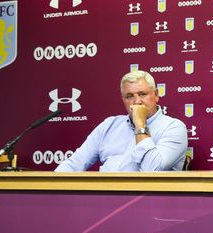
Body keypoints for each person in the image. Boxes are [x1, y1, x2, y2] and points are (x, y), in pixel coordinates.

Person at [56, 70, 187, 172]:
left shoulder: (173, 127)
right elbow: (76, 162)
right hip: (103, 198)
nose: (137, 101)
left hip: (146, 202)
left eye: (142, 94)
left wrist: (140, 125)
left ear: (156, 94)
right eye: (129, 96)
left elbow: (152, 169)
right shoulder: (109, 125)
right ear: (123, 100)